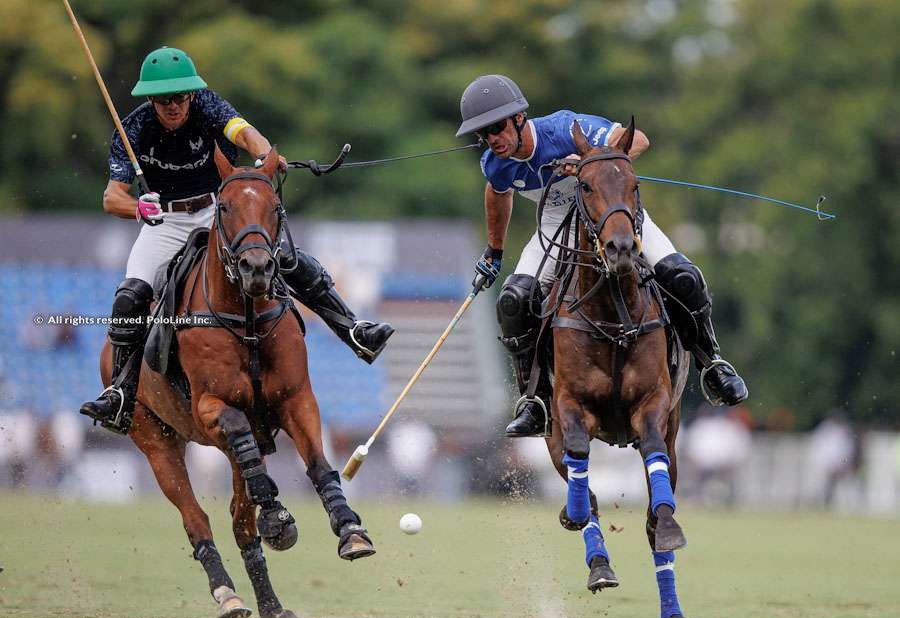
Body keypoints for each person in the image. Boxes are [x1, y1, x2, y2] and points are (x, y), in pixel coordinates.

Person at [80, 47, 394, 434]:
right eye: (164, 100)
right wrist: (138, 210)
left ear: (192, 94)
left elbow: (245, 134)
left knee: (287, 260)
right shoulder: (133, 129)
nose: (174, 106)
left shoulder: (208, 106)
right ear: (150, 100)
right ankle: (120, 394)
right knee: (129, 296)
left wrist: (264, 155)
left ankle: (353, 330)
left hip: (220, 213)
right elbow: (112, 197)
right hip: (165, 221)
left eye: (180, 97)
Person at [455, 74, 748, 438]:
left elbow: (637, 140)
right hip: (555, 225)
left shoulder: (564, 128)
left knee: (683, 276)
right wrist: (495, 251)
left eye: (496, 128)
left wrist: (587, 162)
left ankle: (712, 364)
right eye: (483, 134)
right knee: (513, 301)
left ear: (518, 118)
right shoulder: (496, 164)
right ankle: (536, 401)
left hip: (612, 214)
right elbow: (497, 194)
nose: (492, 140)